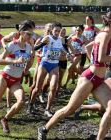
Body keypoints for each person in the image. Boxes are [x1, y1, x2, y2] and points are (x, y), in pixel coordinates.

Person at [38, 12, 111, 140]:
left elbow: (88, 47)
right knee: (70, 109)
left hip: (98, 80)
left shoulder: (107, 35)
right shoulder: (104, 35)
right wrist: (93, 62)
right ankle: (44, 129)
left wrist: (90, 61)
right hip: (90, 78)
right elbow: (101, 58)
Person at [27, 22, 68, 117]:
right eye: (55, 31)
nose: (57, 33)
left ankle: (48, 109)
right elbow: (35, 48)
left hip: (54, 65)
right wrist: (43, 44)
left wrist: (68, 53)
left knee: (53, 87)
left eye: (59, 31)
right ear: (52, 30)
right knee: (37, 88)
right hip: (44, 64)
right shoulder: (47, 38)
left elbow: (64, 46)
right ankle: (31, 104)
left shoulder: (61, 39)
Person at [29, 23, 52, 103]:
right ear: (44, 30)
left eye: (50, 31)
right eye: (47, 31)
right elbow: (33, 51)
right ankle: (30, 99)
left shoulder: (54, 40)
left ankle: (41, 94)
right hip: (39, 63)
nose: (49, 32)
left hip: (49, 63)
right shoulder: (40, 39)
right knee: (36, 82)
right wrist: (40, 54)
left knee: (48, 81)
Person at [62, 25, 89, 89]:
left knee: (70, 68)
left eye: (79, 31)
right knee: (74, 69)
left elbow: (89, 46)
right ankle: (83, 75)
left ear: (82, 31)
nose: (78, 32)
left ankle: (65, 84)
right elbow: (65, 42)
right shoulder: (72, 36)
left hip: (78, 55)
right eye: (77, 30)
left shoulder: (84, 38)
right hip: (72, 55)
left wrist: (88, 55)